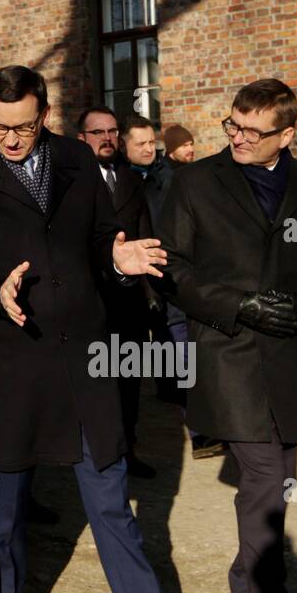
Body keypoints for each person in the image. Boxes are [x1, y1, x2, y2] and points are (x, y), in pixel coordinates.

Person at [0, 65, 220, 593]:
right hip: (9, 366)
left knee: (113, 506)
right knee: (4, 512)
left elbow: (99, 238)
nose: (14, 139)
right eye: (2, 125)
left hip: (87, 362)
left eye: (27, 125)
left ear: (45, 113)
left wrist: (117, 260)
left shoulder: (75, 158)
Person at [156, 79, 297, 593]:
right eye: (232, 126)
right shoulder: (193, 182)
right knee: (266, 478)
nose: (238, 138)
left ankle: (245, 591)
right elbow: (173, 270)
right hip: (226, 353)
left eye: (253, 131)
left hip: (288, 356)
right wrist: (238, 305)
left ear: (287, 136)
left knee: (279, 478)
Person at [119, 114, 222, 459]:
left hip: (167, 275)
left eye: (153, 143)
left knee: (180, 349)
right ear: (124, 145)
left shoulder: (171, 178)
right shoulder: (114, 180)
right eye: (141, 144)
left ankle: (201, 431)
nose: (150, 149)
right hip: (125, 282)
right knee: (128, 369)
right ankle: (125, 445)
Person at [76, 107, 156, 479]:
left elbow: (145, 235)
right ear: (82, 139)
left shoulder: (131, 180)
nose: (106, 138)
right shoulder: (68, 180)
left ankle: (129, 449)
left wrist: (150, 289)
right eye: (97, 133)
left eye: (112, 131)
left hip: (128, 301)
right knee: (92, 384)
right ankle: (92, 456)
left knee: (128, 382)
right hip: (86, 299)